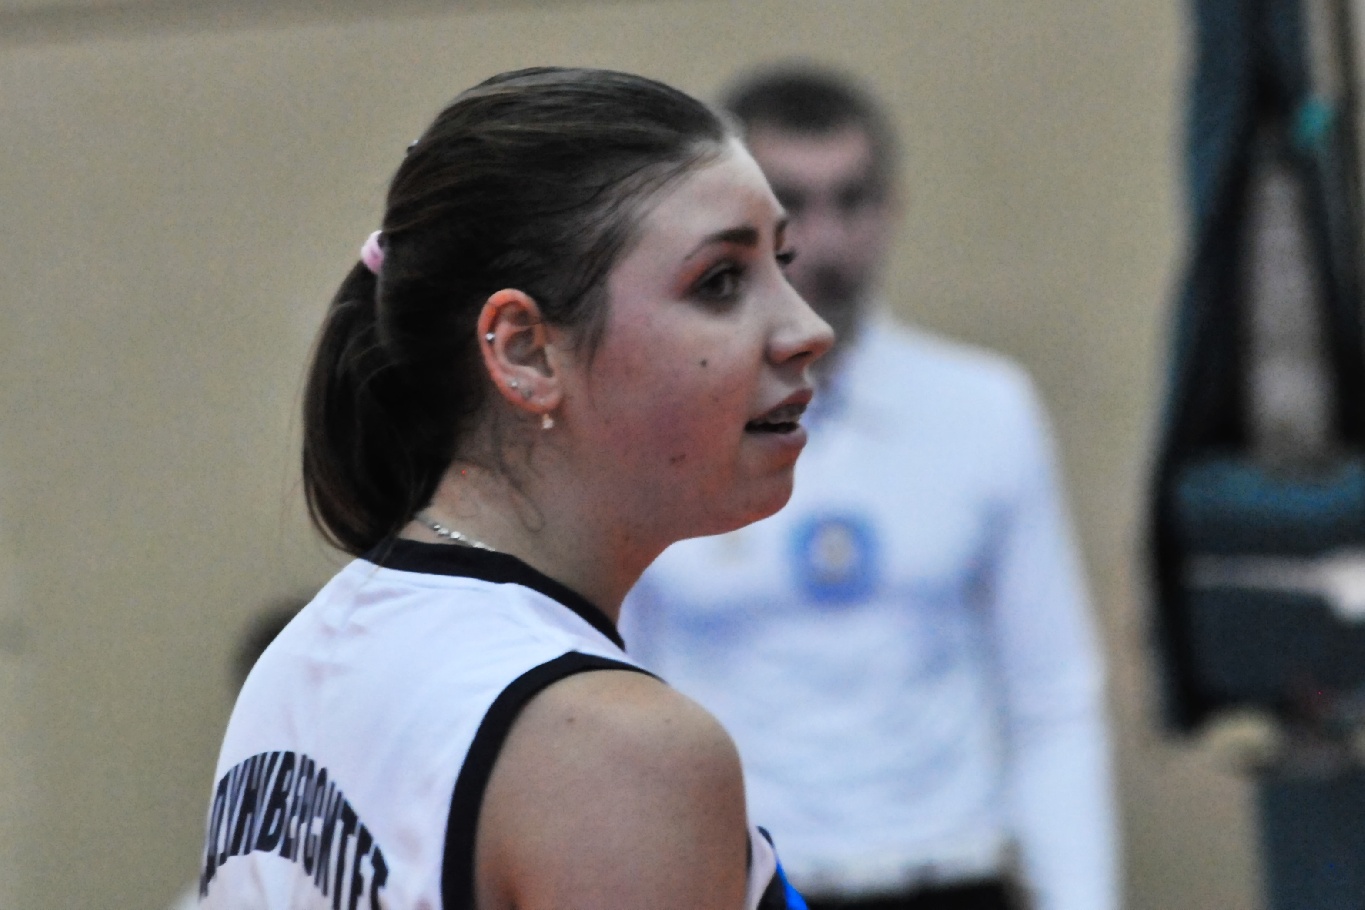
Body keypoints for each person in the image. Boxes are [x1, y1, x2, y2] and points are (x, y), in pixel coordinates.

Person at [196, 67, 832, 910]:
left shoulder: (301, 659)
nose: (806, 330)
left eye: (781, 262)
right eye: (719, 281)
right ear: (525, 351)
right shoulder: (619, 748)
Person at [621, 64, 1119, 910]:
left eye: (852, 201)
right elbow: (615, 705)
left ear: (891, 209)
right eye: (791, 206)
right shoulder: (654, 434)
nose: (827, 241)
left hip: (951, 879)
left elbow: (1053, 699)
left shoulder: (983, 410)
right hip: (744, 885)